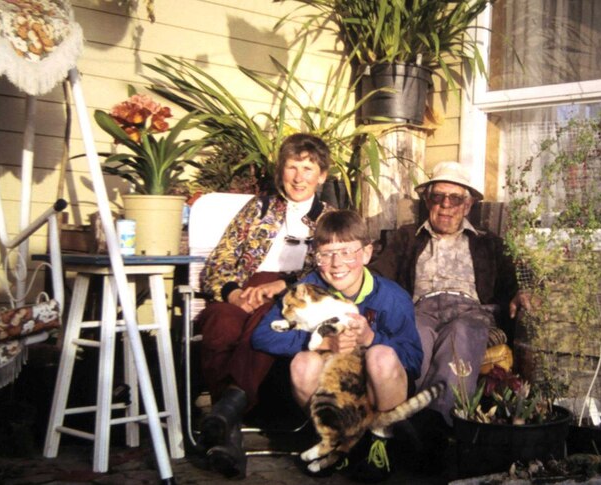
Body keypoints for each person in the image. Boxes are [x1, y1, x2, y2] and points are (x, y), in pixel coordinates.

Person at [196, 133, 334, 477]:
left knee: (264, 324)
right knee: (220, 324)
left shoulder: (329, 219)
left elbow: (329, 271)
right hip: (242, 290)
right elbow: (220, 260)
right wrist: (231, 293)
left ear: (322, 176)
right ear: (281, 171)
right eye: (292, 166)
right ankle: (229, 428)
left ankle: (226, 421)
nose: (299, 177)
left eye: (308, 168)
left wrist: (283, 285)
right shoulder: (257, 207)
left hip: (292, 296)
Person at [252, 210, 422, 482]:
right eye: (326, 254)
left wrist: (371, 339)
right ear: (315, 257)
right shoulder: (307, 289)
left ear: (366, 254)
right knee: (303, 363)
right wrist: (322, 342)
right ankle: (337, 441)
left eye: (346, 252)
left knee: (381, 356)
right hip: (338, 391)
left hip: (380, 390)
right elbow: (262, 335)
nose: (336, 263)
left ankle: (381, 446)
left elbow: (413, 360)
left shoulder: (392, 296)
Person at [370, 161, 534, 431]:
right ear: (428, 200)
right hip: (420, 309)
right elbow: (378, 276)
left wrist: (521, 293)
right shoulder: (407, 237)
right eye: (438, 196)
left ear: (467, 205)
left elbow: (512, 284)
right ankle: (407, 423)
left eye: (455, 198)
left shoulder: (488, 243)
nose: (446, 205)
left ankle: (439, 423)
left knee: (459, 334)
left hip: (470, 311)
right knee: (416, 336)